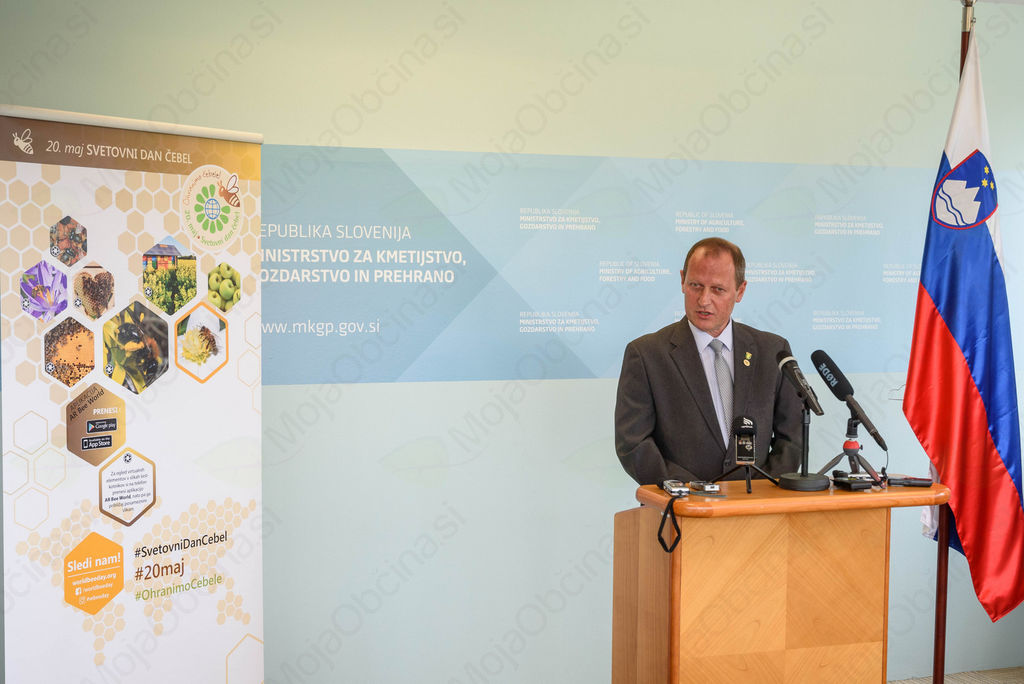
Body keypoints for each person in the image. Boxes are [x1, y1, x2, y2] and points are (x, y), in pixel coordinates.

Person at [614, 237, 802, 485]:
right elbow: (633, 443)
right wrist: (691, 491)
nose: (703, 300)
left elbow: (793, 439)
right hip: (682, 503)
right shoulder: (646, 354)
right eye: (695, 285)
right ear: (682, 281)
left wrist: (760, 489)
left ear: (740, 291)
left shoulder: (773, 351)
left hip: (756, 502)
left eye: (717, 289)